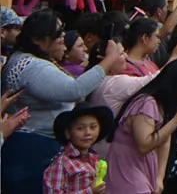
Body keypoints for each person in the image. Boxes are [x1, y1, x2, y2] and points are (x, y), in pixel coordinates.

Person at [1, 13, 127, 194]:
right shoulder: (30, 65)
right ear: (38, 39)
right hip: (32, 151)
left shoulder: (32, 60)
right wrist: (109, 60)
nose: (63, 38)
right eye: (58, 33)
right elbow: (74, 90)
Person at [107, 57, 177, 194]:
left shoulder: (164, 105)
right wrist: (176, 121)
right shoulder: (147, 103)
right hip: (128, 168)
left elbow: (165, 139)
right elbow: (144, 145)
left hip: (146, 167)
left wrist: (159, 177)